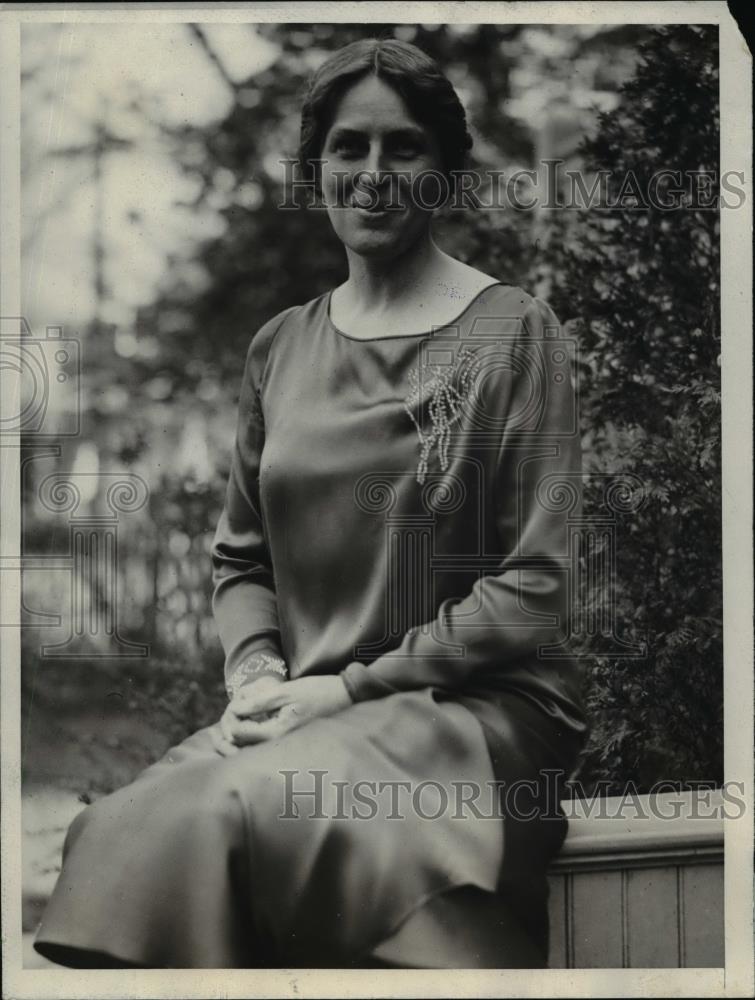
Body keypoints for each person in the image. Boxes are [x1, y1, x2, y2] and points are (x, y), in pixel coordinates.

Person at [34, 37, 588, 970]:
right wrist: (254, 674)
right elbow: (241, 560)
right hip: (305, 712)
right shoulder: (281, 346)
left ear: (445, 172)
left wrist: (344, 687)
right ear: (317, 168)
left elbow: (535, 586)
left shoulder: (513, 334)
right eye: (348, 149)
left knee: (234, 813)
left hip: (472, 711)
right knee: (119, 833)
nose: (373, 177)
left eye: (403, 149)